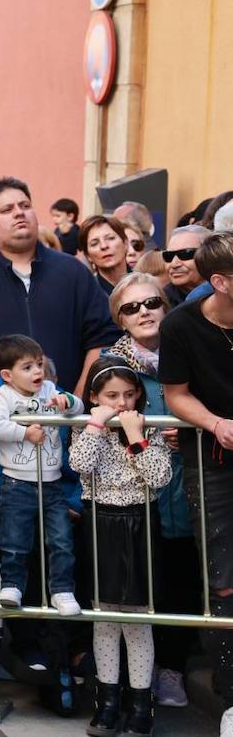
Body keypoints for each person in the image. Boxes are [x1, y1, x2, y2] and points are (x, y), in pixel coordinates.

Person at [0, 177, 118, 423]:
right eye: (7, 209)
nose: (19, 213)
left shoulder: (73, 272)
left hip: (62, 423)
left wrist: (77, 398)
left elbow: (101, 338)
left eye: (25, 206)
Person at [102, 274, 198, 708]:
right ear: (119, 320)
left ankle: (171, 671)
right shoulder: (110, 362)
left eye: (151, 302)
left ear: (166, 306)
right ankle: (124, 681)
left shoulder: (191, 349)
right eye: (130, 307)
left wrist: (191, 431)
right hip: (132, 496)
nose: (143, 311)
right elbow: (94, 424)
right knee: (136, 587)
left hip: (190, 488)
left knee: (182, 580)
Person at [72, 358, 173, 737]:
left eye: (130, 395)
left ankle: (140, 703)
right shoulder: (88, 429)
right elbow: (79, 464)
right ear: (95, 397)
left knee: (137, 618)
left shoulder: (150, 429)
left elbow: (160, 476)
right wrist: (97, 426)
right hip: (100, 520)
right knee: (105, 616)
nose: (122, 404)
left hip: (138, 521)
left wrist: (137, 439)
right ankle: (108, 701)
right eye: (112, 396)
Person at [159, 232, 233, 736]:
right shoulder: (181, 324)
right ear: (220, 282)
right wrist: (215, 423)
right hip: (211, 459)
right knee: (225, 576)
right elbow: (176, 394)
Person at [0, 334, 84, 615]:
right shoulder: (2, 395)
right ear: (7, 375)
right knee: (14, 539)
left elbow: (80, 407)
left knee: (62, 541)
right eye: (27, 367)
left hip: (52, 483)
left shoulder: (50, 388)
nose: (37, 372)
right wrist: (25, 432)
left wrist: (68, 402)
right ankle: (12, 585)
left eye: (38, 364)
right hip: (16, 483)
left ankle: (62, 590)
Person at [79, 214, 131, 295]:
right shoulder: (86, 295)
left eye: (110, 238)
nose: (104, 246)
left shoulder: (147, 284)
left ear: (125, 243)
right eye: (94, 243)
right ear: (88, 255)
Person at [161, 224, 210, 306]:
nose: (174, 264)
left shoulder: (227, 294)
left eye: (185, 254)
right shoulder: (160, 304)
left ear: (209, 255)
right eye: (168, 256)